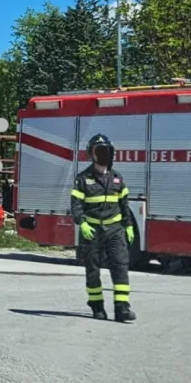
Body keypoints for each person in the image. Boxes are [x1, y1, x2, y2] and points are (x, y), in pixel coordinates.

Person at [70, 133, 136, 322]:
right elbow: (76, 205)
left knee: (121, 267)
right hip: (92, 231)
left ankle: (122, 309)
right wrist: (82, 222)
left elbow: (124, 205)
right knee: (93, 270)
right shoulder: (83, 179)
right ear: (92, 154)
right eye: (99, 151)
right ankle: (97, 307)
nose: (103, 155)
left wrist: (128, 226)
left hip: (115, 230)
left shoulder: (117, 179)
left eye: (106, 151)